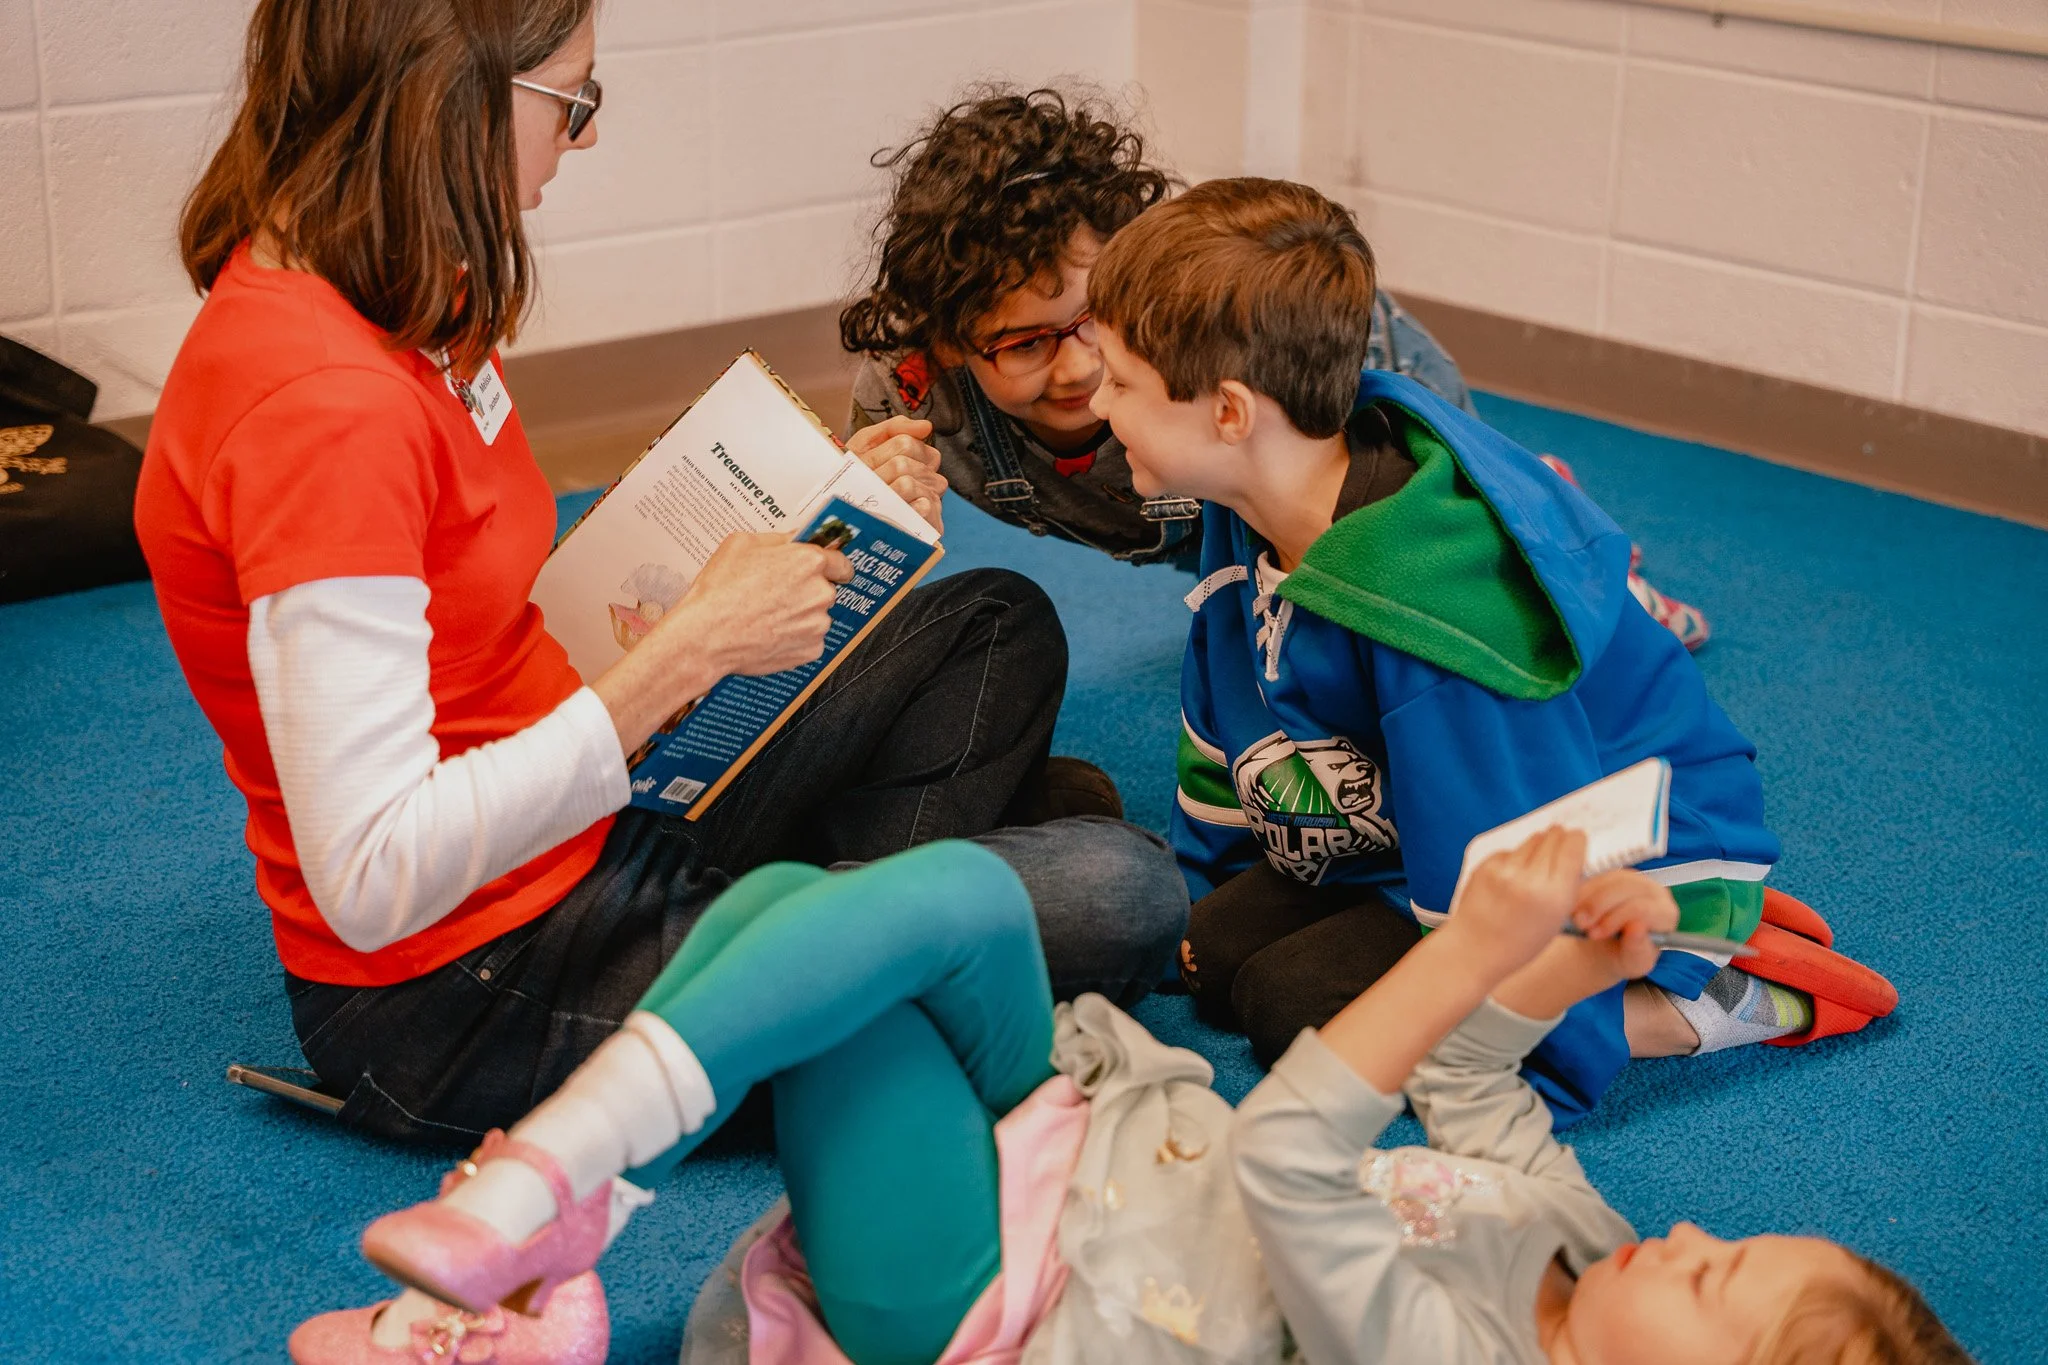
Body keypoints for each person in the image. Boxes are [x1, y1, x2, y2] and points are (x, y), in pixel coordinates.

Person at [136, 4, 1186, 1351]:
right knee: (1125, 893)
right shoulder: (318, 407)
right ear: (446, 100)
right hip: (465, 982)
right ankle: (814, 943)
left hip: (595, 821)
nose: (578, 138)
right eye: (568, 102)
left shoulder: (404, 287)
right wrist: (687, 653)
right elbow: (375, 872)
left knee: (991, 629)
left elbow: (474, 613)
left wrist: (768, 539)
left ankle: (816, 930)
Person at [310, 832, 1966, 1365]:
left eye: (1707, 1282)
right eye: (1719, 1235)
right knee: (897, 896)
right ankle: (548, 1224)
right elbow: (1475, 1093)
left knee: (821, 1000)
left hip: (1017, 1304)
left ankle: (528, 1218)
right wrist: (1577, 968)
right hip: (1101, 1140)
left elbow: (1306, 1158)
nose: (1680, 1230)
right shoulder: (1584, 1239)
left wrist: (1465, 950)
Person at [1081, 178, 1898, 1123]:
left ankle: (1704, 995)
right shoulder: (1245, 504)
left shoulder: (1437, 608)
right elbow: (1230, 710)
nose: (1097, 404)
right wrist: (1206, 891)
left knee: (1292, 1007)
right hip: (1422, 827)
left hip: (1614, 850)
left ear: (1229, 412)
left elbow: (1508, 860)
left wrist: (1520, 1060)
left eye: (1121, 381)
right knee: (1218, 956)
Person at [839, 87, 1711, 654]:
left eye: (1095, 322)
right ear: (951, 342)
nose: (1078, 369)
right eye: (1024, 344)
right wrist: (882, 512)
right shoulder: (912, 403)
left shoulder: (1216, 338)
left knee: (1448, 550)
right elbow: (842, 584)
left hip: (1349, 406)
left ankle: (1577, 534)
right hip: (1188, 505)